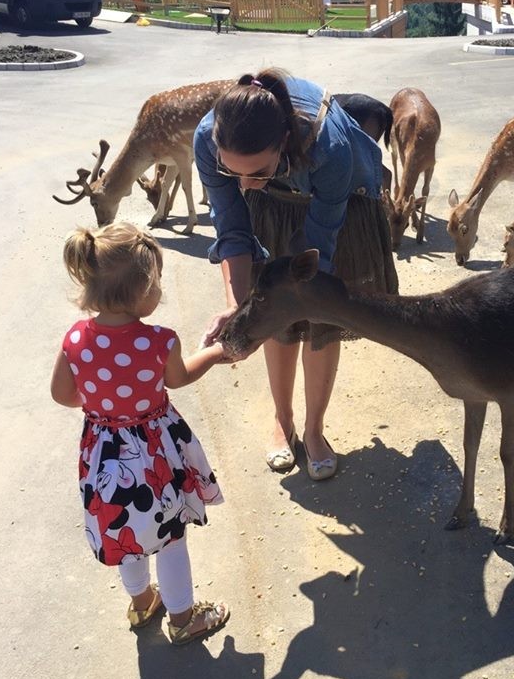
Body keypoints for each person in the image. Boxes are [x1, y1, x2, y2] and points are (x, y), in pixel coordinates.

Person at [193, 69, 398, 482]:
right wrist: (240, 309)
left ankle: (313, 428)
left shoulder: (330, 145)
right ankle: (282, 420)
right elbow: (232, 228)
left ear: (284, 142)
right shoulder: (208, 138)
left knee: (319, 319)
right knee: (276, 325)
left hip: (335, 207)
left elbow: (319, 244)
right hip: (274, 202)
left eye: (256, 169)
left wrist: (275, 305)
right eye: (233, 173)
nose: (244, 183)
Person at [50, 222, 231, 646]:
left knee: (124, 534)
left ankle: (143, 601)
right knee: (169, 537)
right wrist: (218, 351)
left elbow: (62, 394)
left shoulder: (76, 340)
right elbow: (180, 377)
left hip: (105, 456)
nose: (161, 291)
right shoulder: (158, 341)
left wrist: (100, 407)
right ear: (139, 291)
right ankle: (184, 618)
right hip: (154, 457)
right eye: (158, 283)